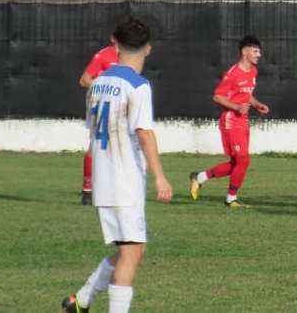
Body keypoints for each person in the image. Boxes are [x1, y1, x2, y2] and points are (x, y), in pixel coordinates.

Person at [61, 17, 172, 313]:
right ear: (148, 49)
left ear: (115, 43)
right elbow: (144, 132)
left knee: (132, 250)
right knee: (131, 255)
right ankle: (88, 302)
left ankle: (81, 300)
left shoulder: (98, 84)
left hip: (103, 178)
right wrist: (160, 177)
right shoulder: (138, 85)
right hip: (124, 182)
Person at [189, 36, 270, 208]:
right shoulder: (233, 73)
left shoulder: (253, 71)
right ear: (244, 51)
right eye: (255, 51)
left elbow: (247, 94)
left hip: (243, 120)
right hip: (231, 121)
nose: (259, 55)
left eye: (259, 51)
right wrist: (236, 107)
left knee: (237, 163)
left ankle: (200, 177)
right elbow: (217, 96)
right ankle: (231, 198)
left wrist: (257, 104)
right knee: (243, 161)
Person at [77, 41, 119, 205]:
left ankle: (106, 188)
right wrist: (103, 87)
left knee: (116, 145)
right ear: (113, 38)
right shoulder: (103, 55)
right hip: (101, 106)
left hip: (118, 106)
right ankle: (88, 190)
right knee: (96, 144)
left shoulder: (129, 57)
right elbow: (84, 80)